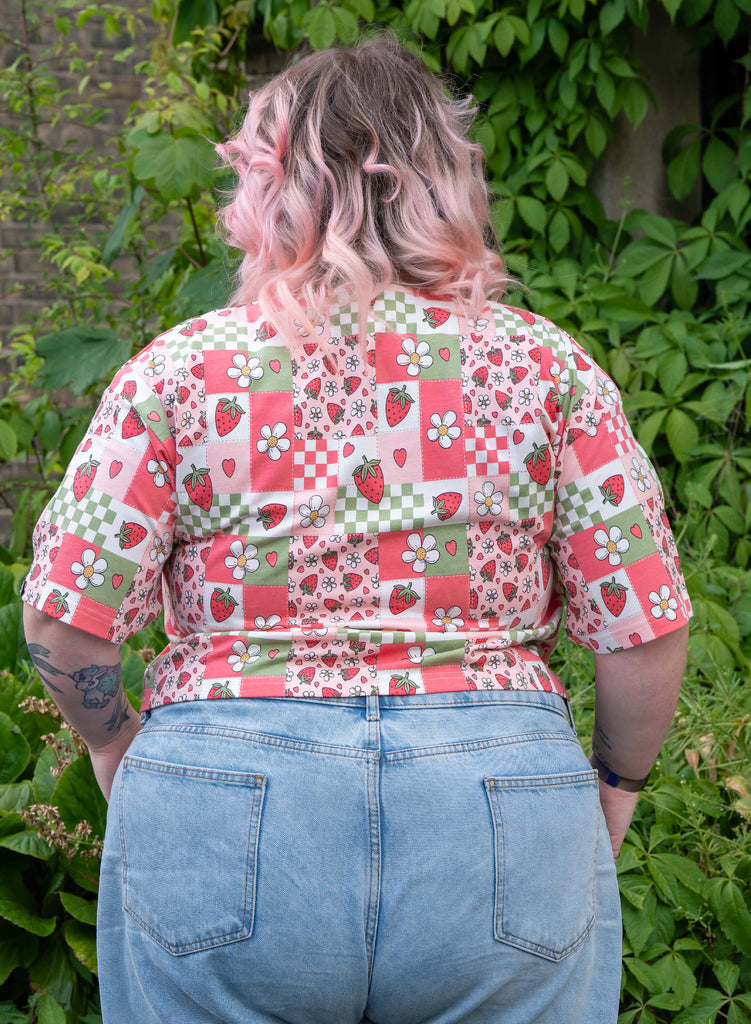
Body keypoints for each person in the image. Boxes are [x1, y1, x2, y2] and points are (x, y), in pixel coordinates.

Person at [22, 36, 690, 1024]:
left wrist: (116, 745)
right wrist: (615, 786)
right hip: (498, 801)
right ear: (439, 182)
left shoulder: (176, 372)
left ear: (274, 186)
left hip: (221, 784)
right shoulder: (544, 369)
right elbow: (643, 625)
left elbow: (63, 621)